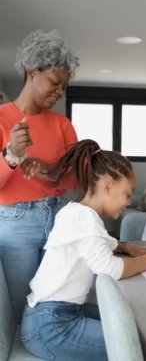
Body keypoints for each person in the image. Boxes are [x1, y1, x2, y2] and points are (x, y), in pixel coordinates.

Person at [21, 139, 146, 361]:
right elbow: (110, 268)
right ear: (108, 186)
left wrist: (126, 246)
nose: (128, 202)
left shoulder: (76, 212)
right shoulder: (85, 219)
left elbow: (101, 241)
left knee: (134, 320)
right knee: (139, 345)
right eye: (128, 194)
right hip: (50, 327)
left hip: (51, 314)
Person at [0, 29, 79, 321]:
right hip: (14, 225)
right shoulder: (1, 119)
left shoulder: (62, 125)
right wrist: (11, 155)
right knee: (20, 311)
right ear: (32, 72)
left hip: (58, 219)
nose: (59, 92)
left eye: (64, 87)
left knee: (58, 304)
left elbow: (75, 181)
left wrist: (50, 173)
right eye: (55, 83)